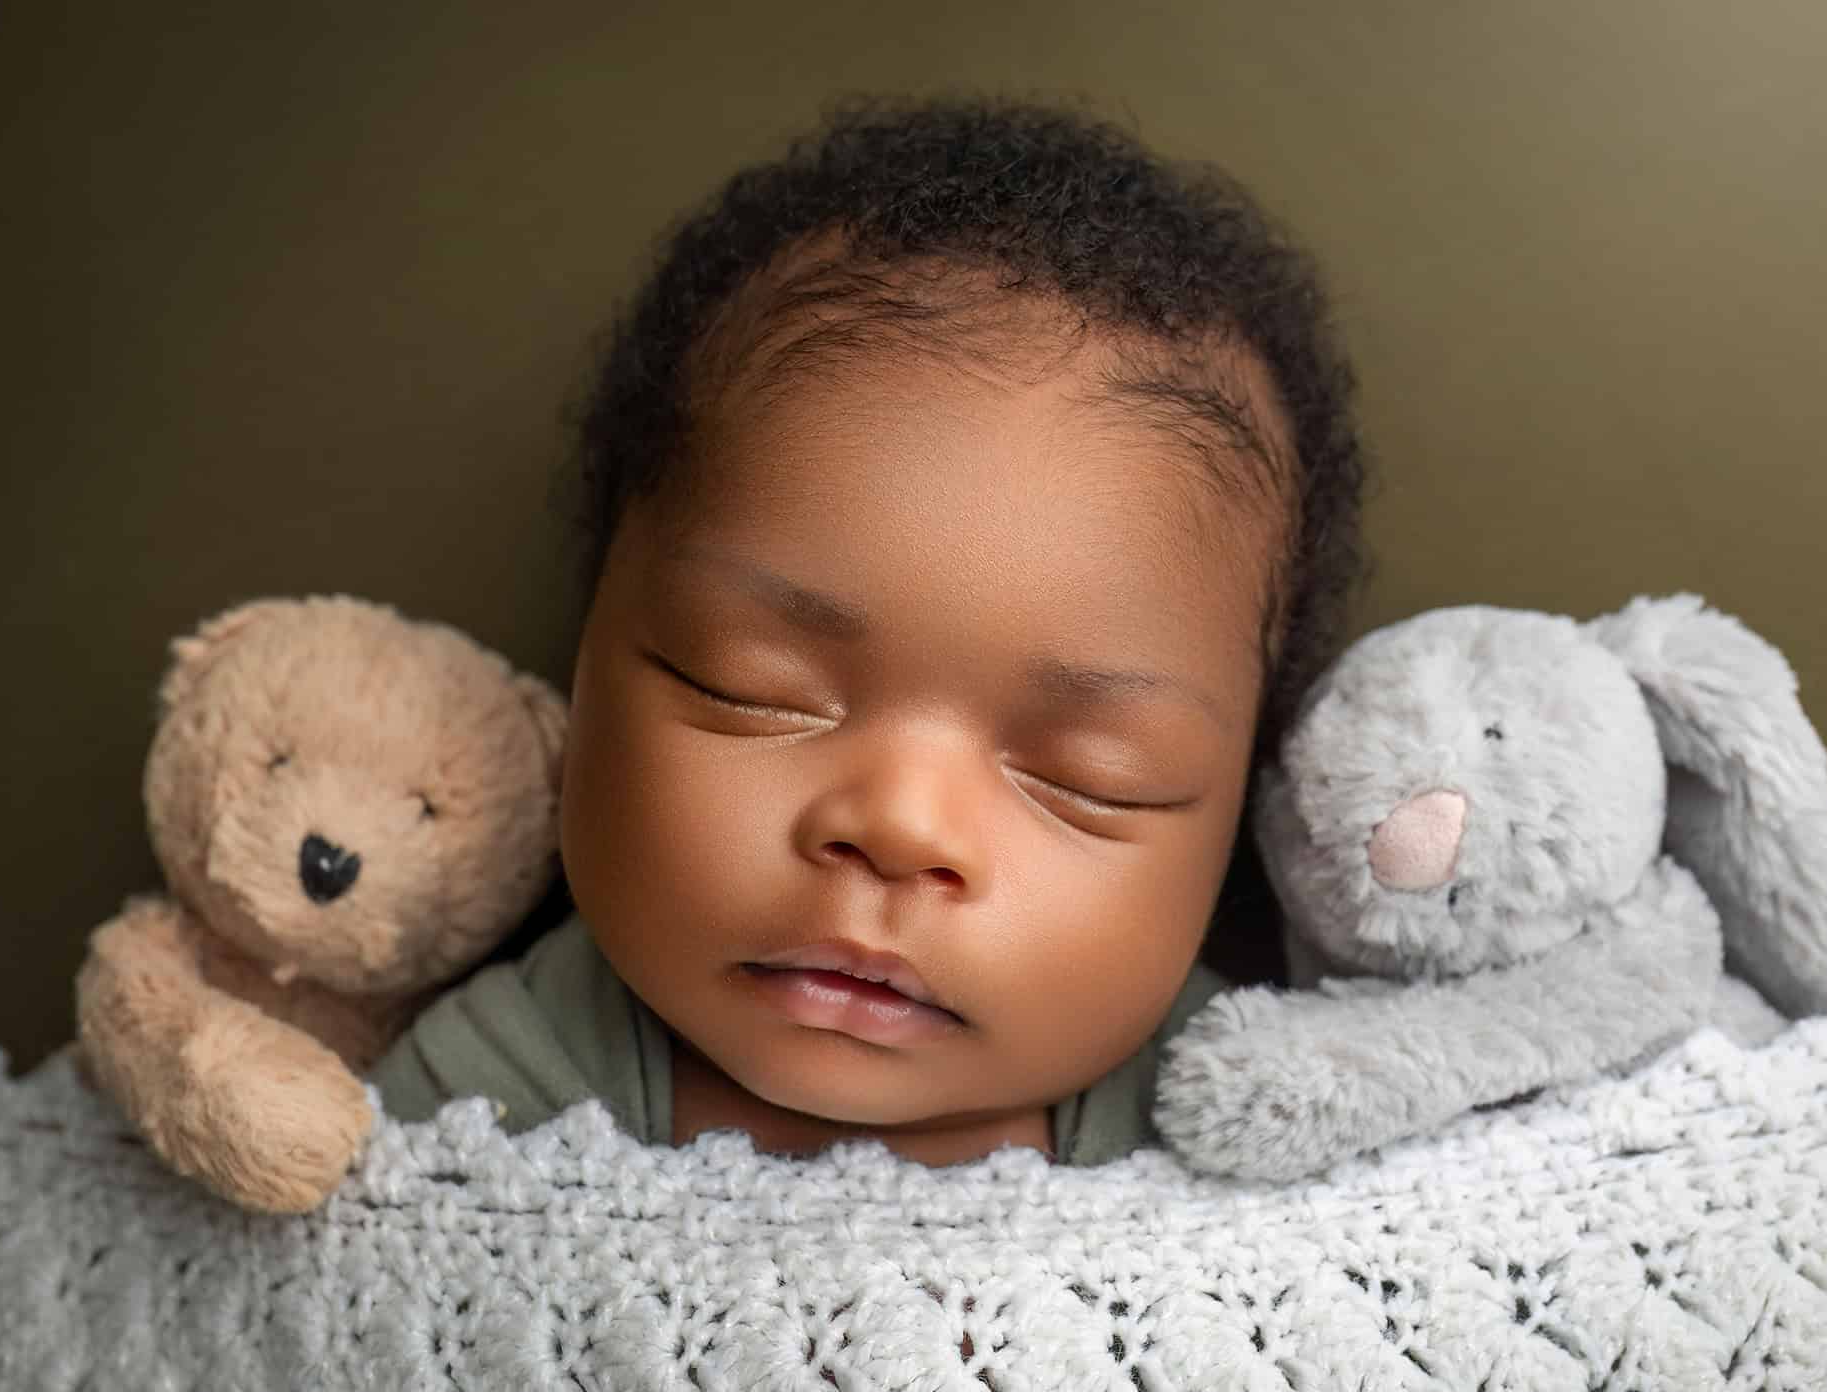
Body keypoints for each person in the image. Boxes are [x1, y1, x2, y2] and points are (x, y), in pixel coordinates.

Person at [369, 97, 1369, 1167]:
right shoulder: (477, 1110)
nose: (898, 828)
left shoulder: (1248, 1134)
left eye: (1094, 777)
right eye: (749, 687)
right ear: (593, 643)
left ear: (1239, 819)